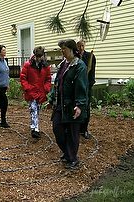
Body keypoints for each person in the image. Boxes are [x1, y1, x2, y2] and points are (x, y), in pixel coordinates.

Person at [49, 39, 88, 170]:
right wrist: (51, 100)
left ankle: (72, 159)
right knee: (57, 129)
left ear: (71, 50)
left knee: (72, 133)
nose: (62, 52)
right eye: (61, 49)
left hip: (72, 105)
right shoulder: (62, 65)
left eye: (63, 49)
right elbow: (57, 84)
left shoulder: (79, 66)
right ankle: (67, 152)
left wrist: (80, 105)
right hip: (60, 104)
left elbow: (81, 87)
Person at [20, 46, 52, 139]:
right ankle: (35, 129)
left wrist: (46, 88)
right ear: (34, 55)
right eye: (37, 56)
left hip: (41, 92)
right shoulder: (28, 65)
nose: (39, 58)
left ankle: (34, 126)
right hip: (31, 91)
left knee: (37, 110)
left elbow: (48, 79)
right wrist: (27, 88)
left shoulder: (46, 66)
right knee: (33, 109)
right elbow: (23, 78)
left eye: (40, 56)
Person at [77, 39, 96, 139]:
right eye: (79, 46)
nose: (80, 48)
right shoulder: (75, 57)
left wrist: (89, 84)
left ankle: (84, 129)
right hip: (77, 87)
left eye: (82, 46)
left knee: (86, 108)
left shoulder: (90, 56)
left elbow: (92, 72)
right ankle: (77, 128)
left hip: (87, 86)